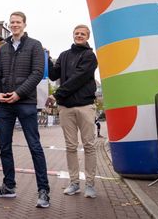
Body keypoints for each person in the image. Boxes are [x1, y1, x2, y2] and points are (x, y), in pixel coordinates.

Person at [0, 11, 50, 209]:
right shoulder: (3, 48)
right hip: (4, 104)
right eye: (12, 22)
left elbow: (37, 73)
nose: (15, 25)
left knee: (34, 146)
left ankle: (43, 191)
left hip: (25, 103)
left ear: (24, 24)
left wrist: (19, 94)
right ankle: (9, 186)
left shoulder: (35, 45)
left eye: (18, 22)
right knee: (4, 147)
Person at [46, 24, 98, 199]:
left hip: (85, 106)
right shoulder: (64, 55)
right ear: (73, 35)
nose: (79, 35)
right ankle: (74, 183)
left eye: (83, 34)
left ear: (87, 36)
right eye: (77, 33)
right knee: (70, 146)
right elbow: (53, 75)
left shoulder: (90, 56)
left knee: (89, 146)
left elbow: (78, 78)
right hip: (66, 108)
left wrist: (57, 94)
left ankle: (90, 184)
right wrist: (46, 57)